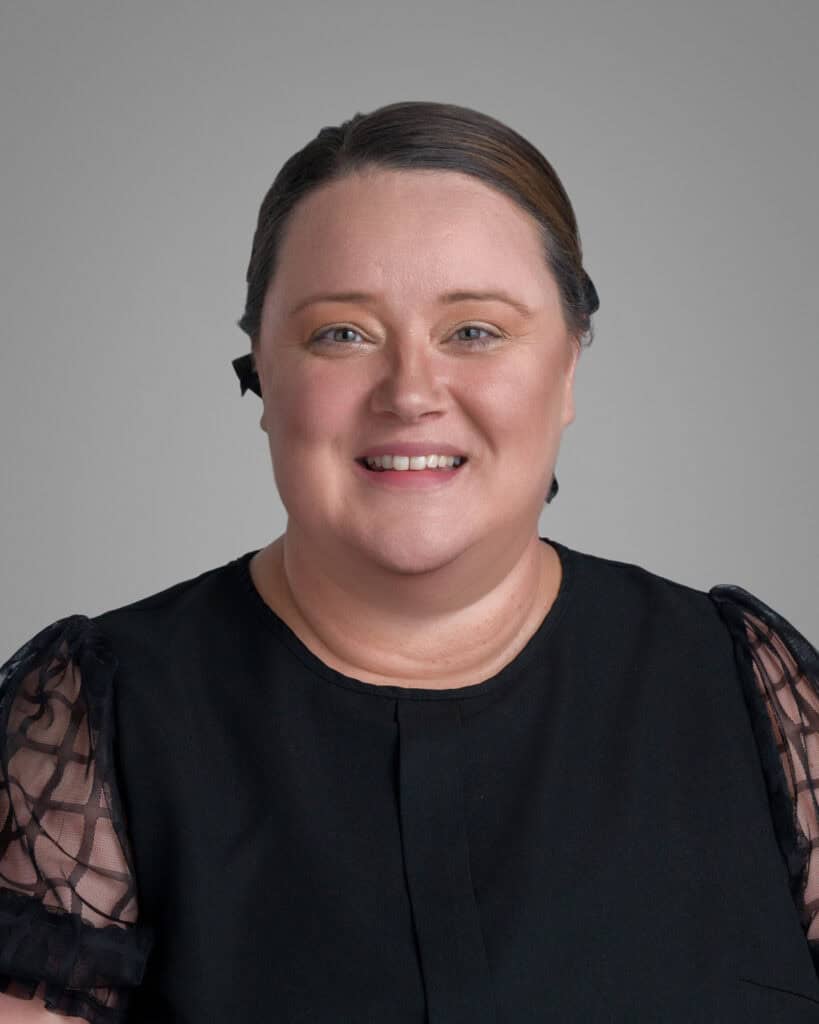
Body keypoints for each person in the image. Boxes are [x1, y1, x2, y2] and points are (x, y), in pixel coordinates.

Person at [0, 100, 817, 1023]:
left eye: (474, 331)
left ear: (567, 368)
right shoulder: (95, 719)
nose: (411, 393)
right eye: (342, 334)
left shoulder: (750, 689)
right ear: (262, 373)